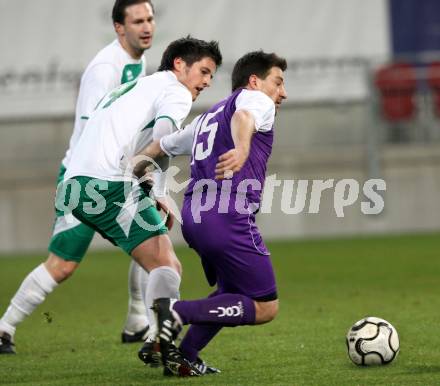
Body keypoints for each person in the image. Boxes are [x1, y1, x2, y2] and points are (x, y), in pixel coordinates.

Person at [0, 0, 157, 354]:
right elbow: (91, 128)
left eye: (149, 18)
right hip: (85, 178)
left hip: (115, 174)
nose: (146, 26)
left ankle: (138, 322)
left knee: (153, 241)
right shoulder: (105, 68)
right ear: (119, 27)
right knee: (63, 264)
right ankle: (3, 327)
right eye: (137, 21)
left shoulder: (138, 60)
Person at [59, 36, 221, 375]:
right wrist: (159, 188)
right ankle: (166, 347)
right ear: (179, 64)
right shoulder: (175, 91)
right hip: (106, 184)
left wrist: (146, 182)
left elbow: (131, 144)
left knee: (160, 260)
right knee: (167, 264)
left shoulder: (137, 86)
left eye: (211, 75)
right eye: (204, 72)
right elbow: (163, 138)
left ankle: (157, 340)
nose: (206, 82)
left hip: (74, 185)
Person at [136, 51, 287, 375]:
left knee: (231, 293)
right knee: (265, 306)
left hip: (196, 215)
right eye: (278, 82)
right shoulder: (254, 100)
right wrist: (243, 148)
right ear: (255, 80)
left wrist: (131, 168)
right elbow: (244, 117)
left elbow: (163, 145)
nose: (282, 93)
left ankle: (187, 353)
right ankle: (176, 311)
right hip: (226, 215)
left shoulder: (208, 116)